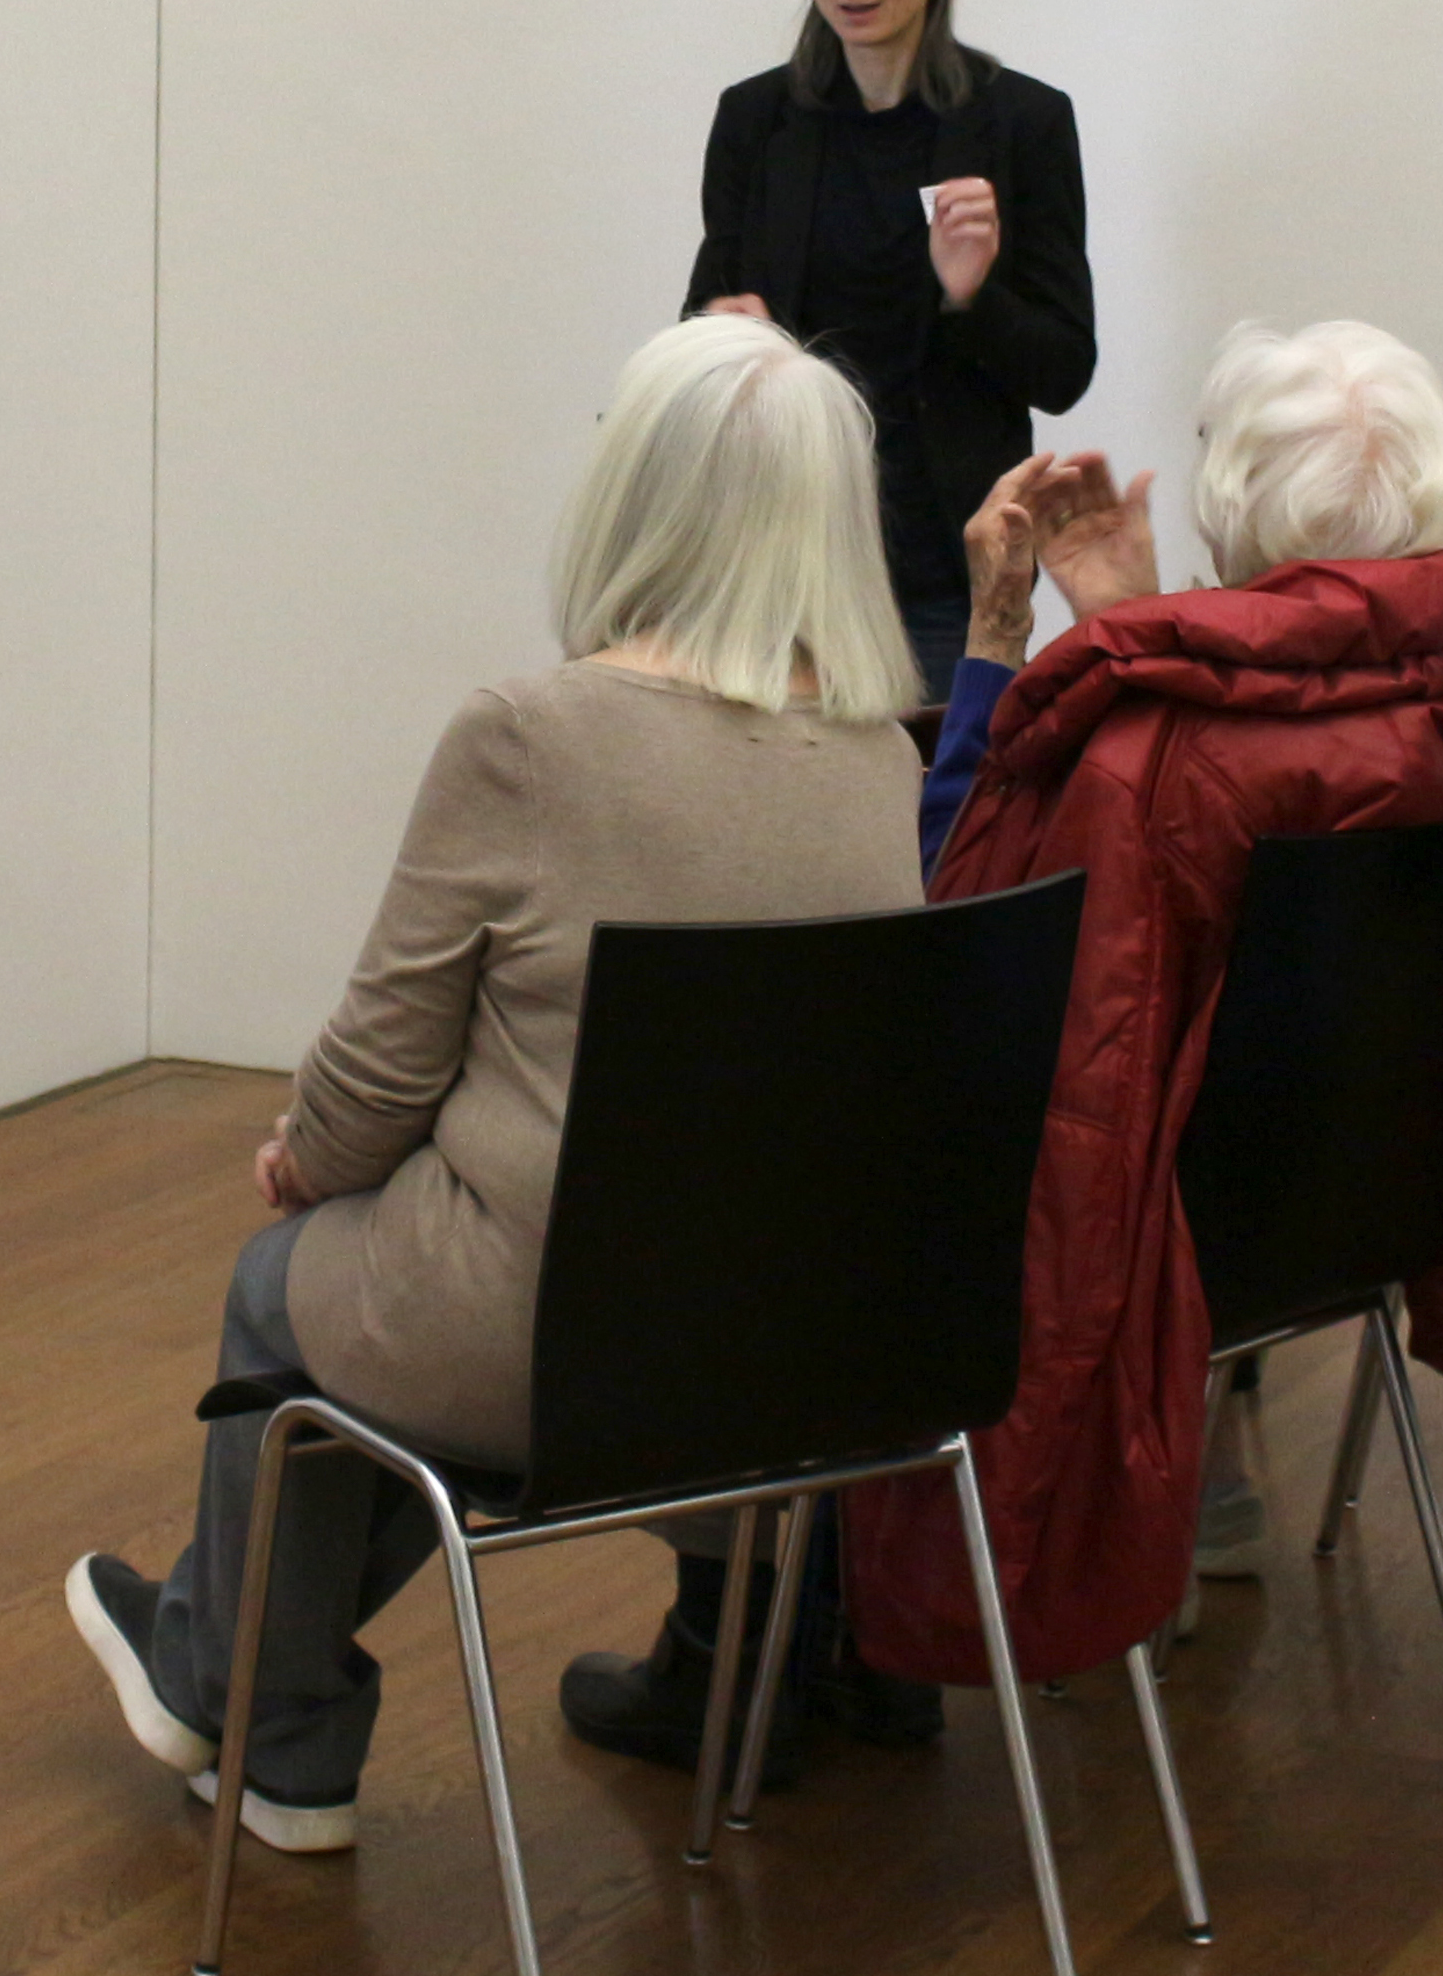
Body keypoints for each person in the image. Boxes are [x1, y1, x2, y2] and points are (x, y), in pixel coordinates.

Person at [64, 316, 926, 1848]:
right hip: (799, 1366)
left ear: (637, 495)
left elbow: (381, 1064)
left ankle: (269, 1720)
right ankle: (237, 1687)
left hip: (568, 1351)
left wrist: (311, 1163)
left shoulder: (535, 736)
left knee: (288, 1293)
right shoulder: (877, 760)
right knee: (398, 1284)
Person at [846, 321, 1443, 1667]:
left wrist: (1001, 632)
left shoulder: (1154, 753)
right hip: (1339, 1210)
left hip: (1160, 1235)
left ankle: (794, 1647)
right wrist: (1125, 630)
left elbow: (973, 953)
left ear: (1236, 497)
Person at [684, 0, 1095, 688]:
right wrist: (727, 336)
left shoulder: (1023, 124)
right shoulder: (756, 123)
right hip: (782, 555)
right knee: (789, 813)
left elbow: (1062, 371)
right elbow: (701, 323)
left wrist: (974, 296)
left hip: (949, 563)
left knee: (942, 815)